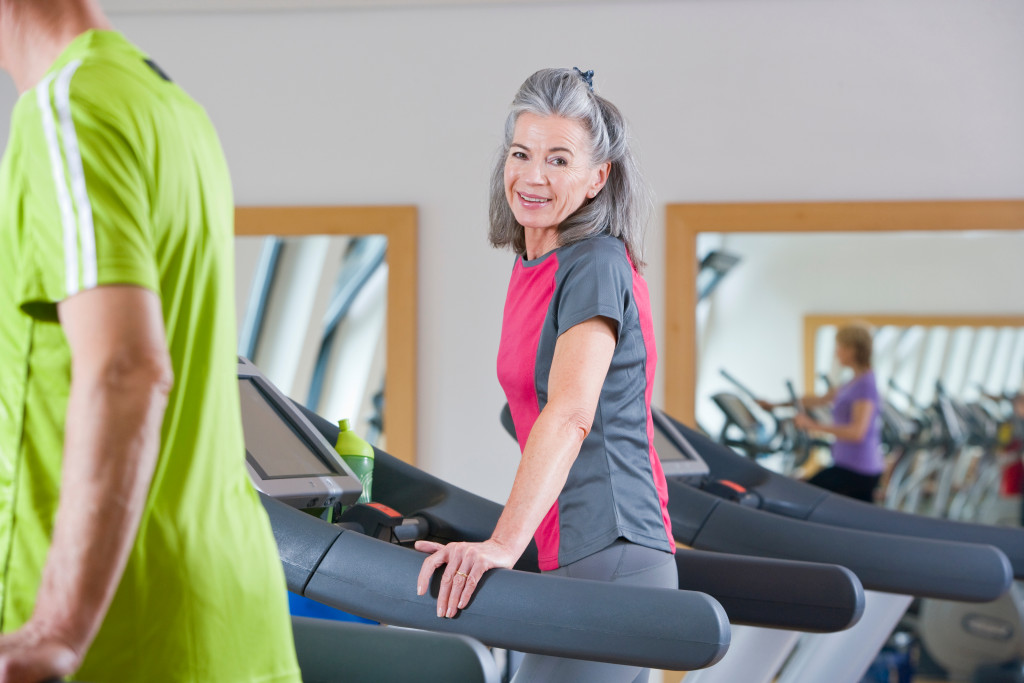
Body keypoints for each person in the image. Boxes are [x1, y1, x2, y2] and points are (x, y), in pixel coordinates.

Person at [0, 2, 300, 681]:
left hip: (119, 630)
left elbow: (126, 366)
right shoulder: (172, 108)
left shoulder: (63, 110)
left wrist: (59, 624)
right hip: (228, 617)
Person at [415, 67, 676, 683]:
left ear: (596, 178)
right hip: (570, 550)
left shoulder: (594, 263)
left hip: (609, 548)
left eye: (559, 160)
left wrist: (502, 545)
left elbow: (570, 412)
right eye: (521, 153)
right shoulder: (538, 261)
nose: (533, 176)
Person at [760, 323, 884, 502]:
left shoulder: (865, 385)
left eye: (839, 347)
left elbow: (857, 432)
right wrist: (775, 405)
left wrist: (813, 426)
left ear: (852, 349)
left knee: (803, 497)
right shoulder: (854, 381)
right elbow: (818, 400)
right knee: (807, 496)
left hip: (859, 470)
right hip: (848, 466)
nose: (836, 352)